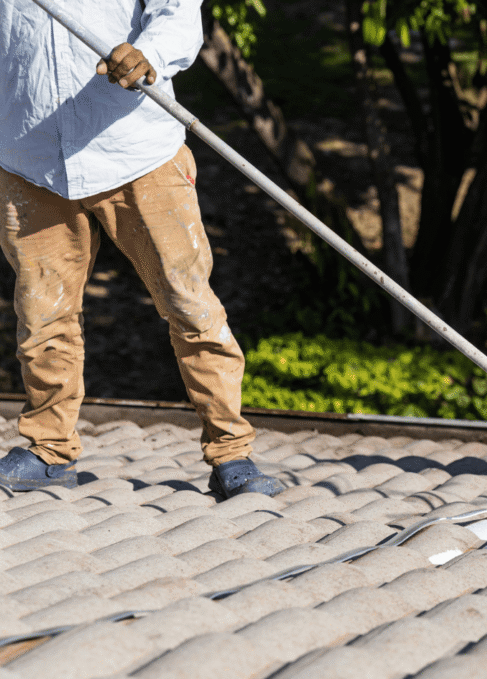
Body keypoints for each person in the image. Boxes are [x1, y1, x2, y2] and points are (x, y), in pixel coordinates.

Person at [0, 0, 283, 498]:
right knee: (42, 313)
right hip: (29, 153)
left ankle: (231, 453)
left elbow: (177, 12)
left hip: (135, 150)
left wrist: (148, 52)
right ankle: (48, 448)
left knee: (189, 304)